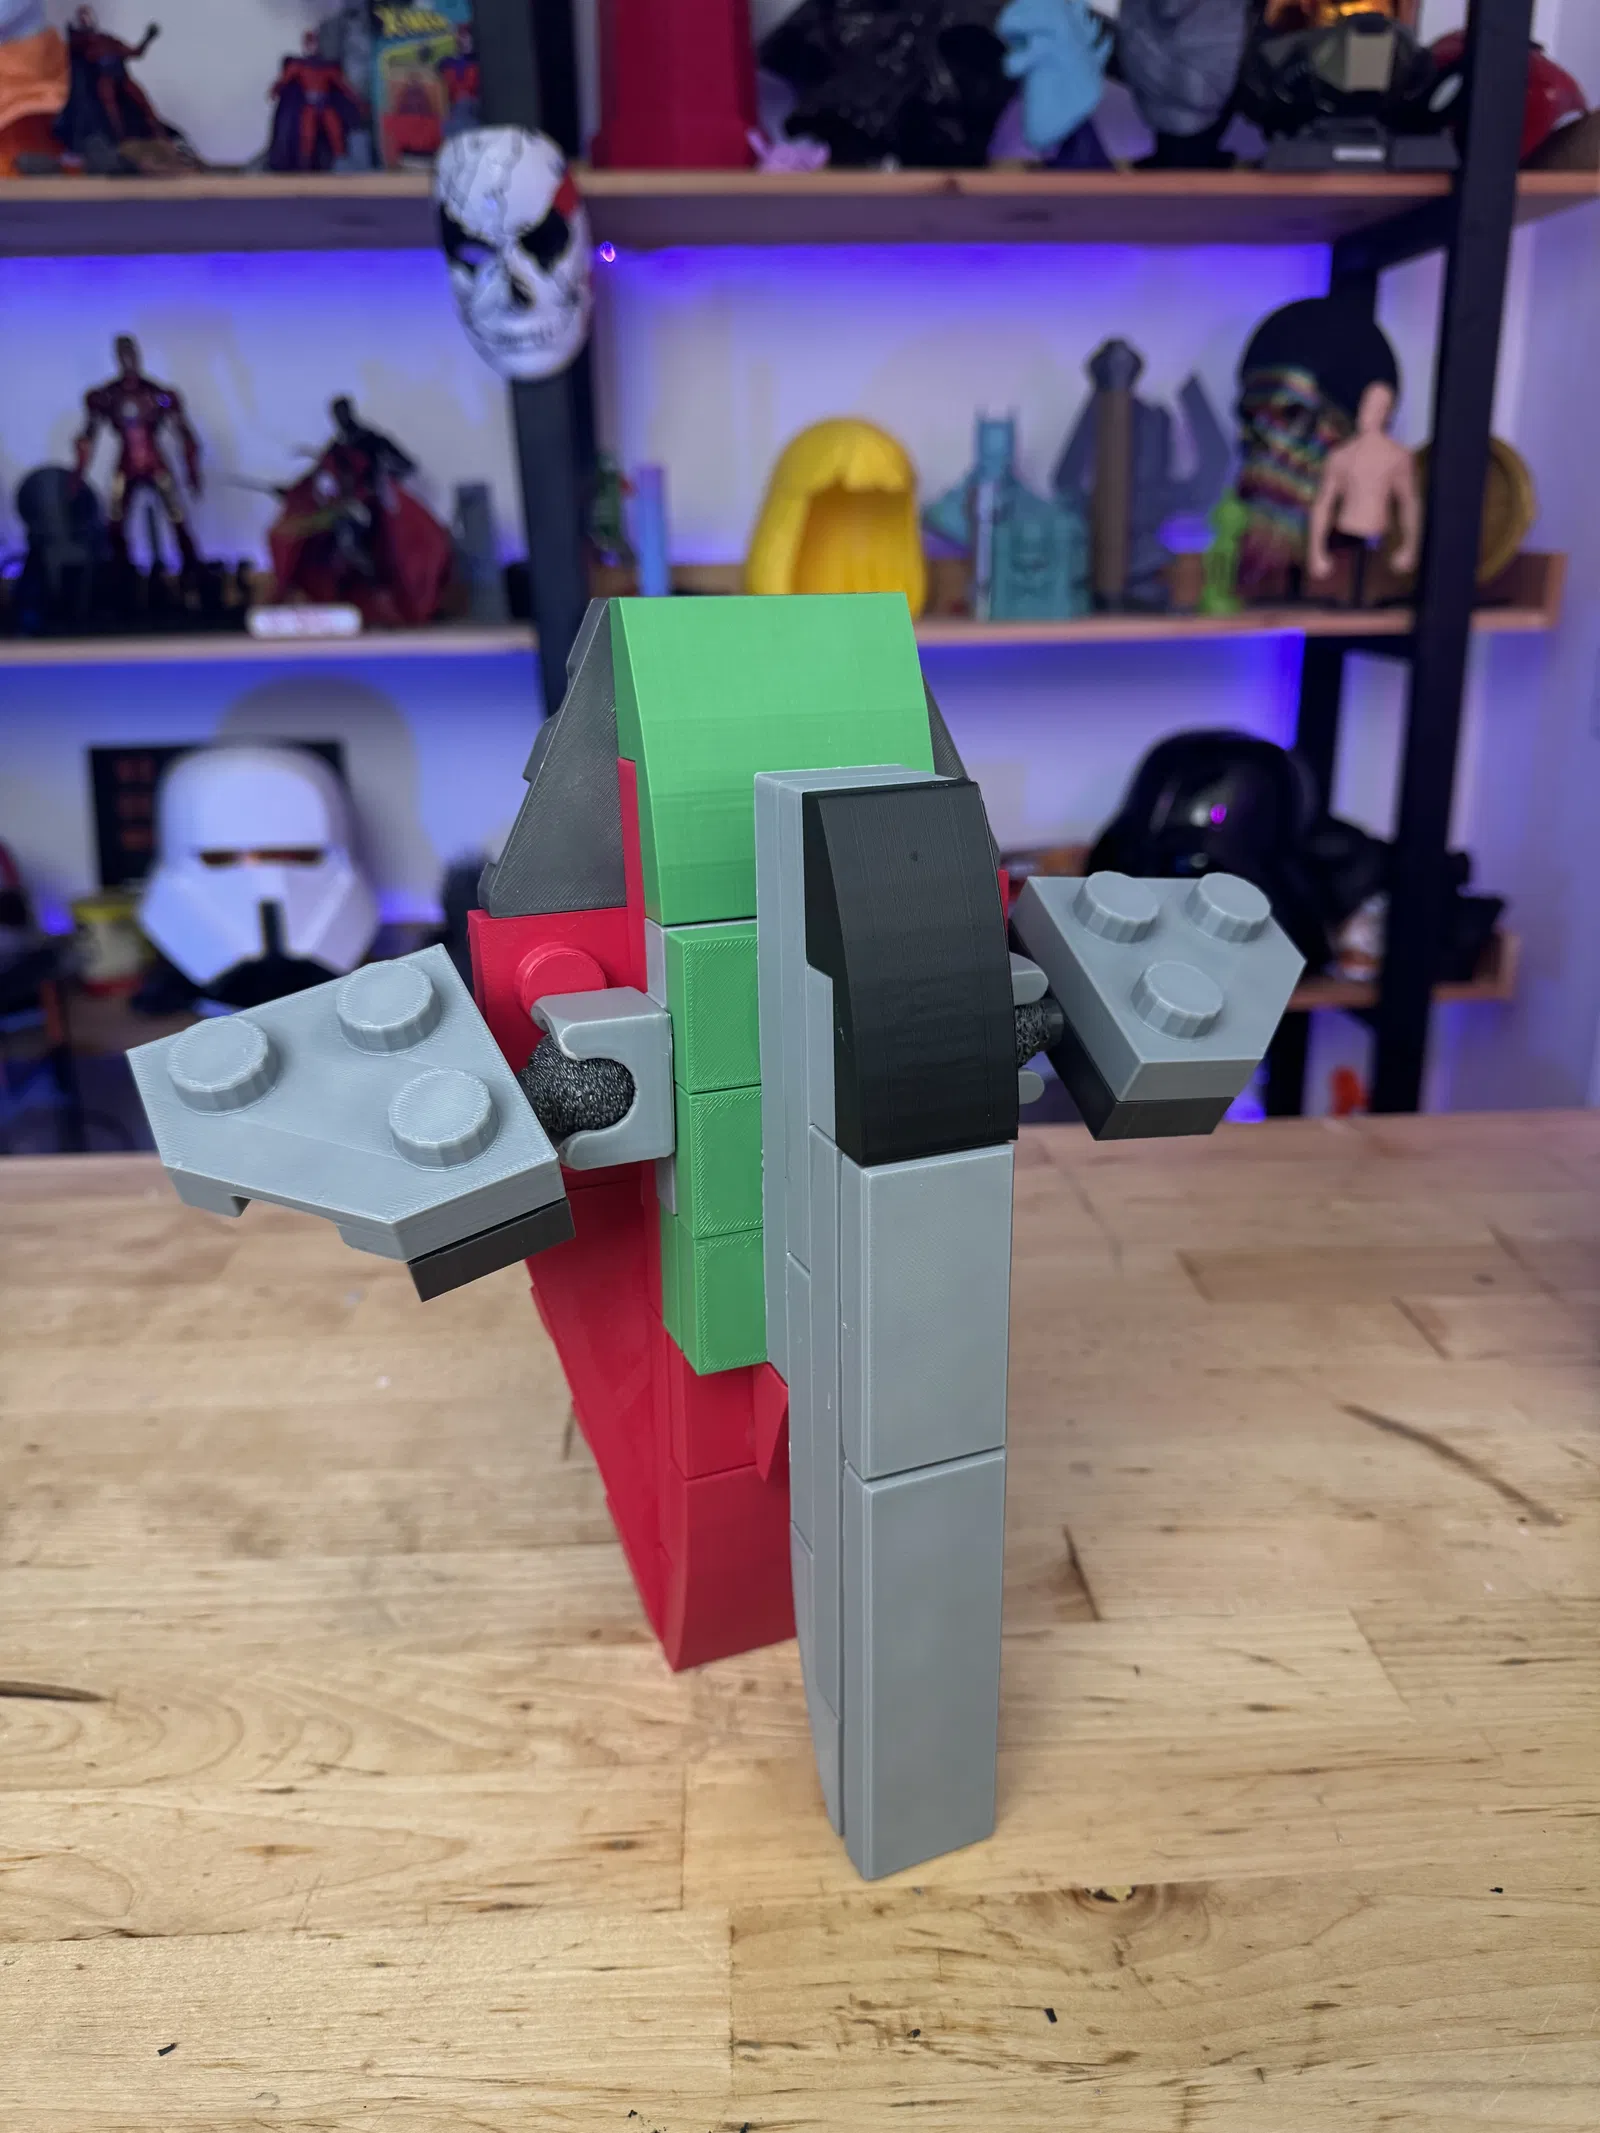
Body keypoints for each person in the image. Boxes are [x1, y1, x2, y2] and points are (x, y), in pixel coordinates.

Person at [75, 333, 202, 574]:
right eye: (123, 355)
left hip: (155, 461)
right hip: (126, 463)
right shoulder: (108, 395)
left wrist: (192, 471)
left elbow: (185, 433)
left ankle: (192, 570)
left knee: (176, 515)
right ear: (117, 358)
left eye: (131, 354)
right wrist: (77, 474)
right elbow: (87, 436)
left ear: (138, 355)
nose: (128, 360)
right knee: (115, 519)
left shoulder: (157, 394)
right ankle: (121, 572)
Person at [1306, 379, 1421, 605]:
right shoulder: (1341, 456)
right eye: (1366, 404)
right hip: (1345, 537)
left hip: (1379, 539)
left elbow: (1410, 503)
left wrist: (1410, 547)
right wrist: (1315, 551)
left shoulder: (1398, 457)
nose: (1369, 412)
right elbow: (1323, 504)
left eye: (1378, 407)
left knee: (1374, 593)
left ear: (1387, 413)